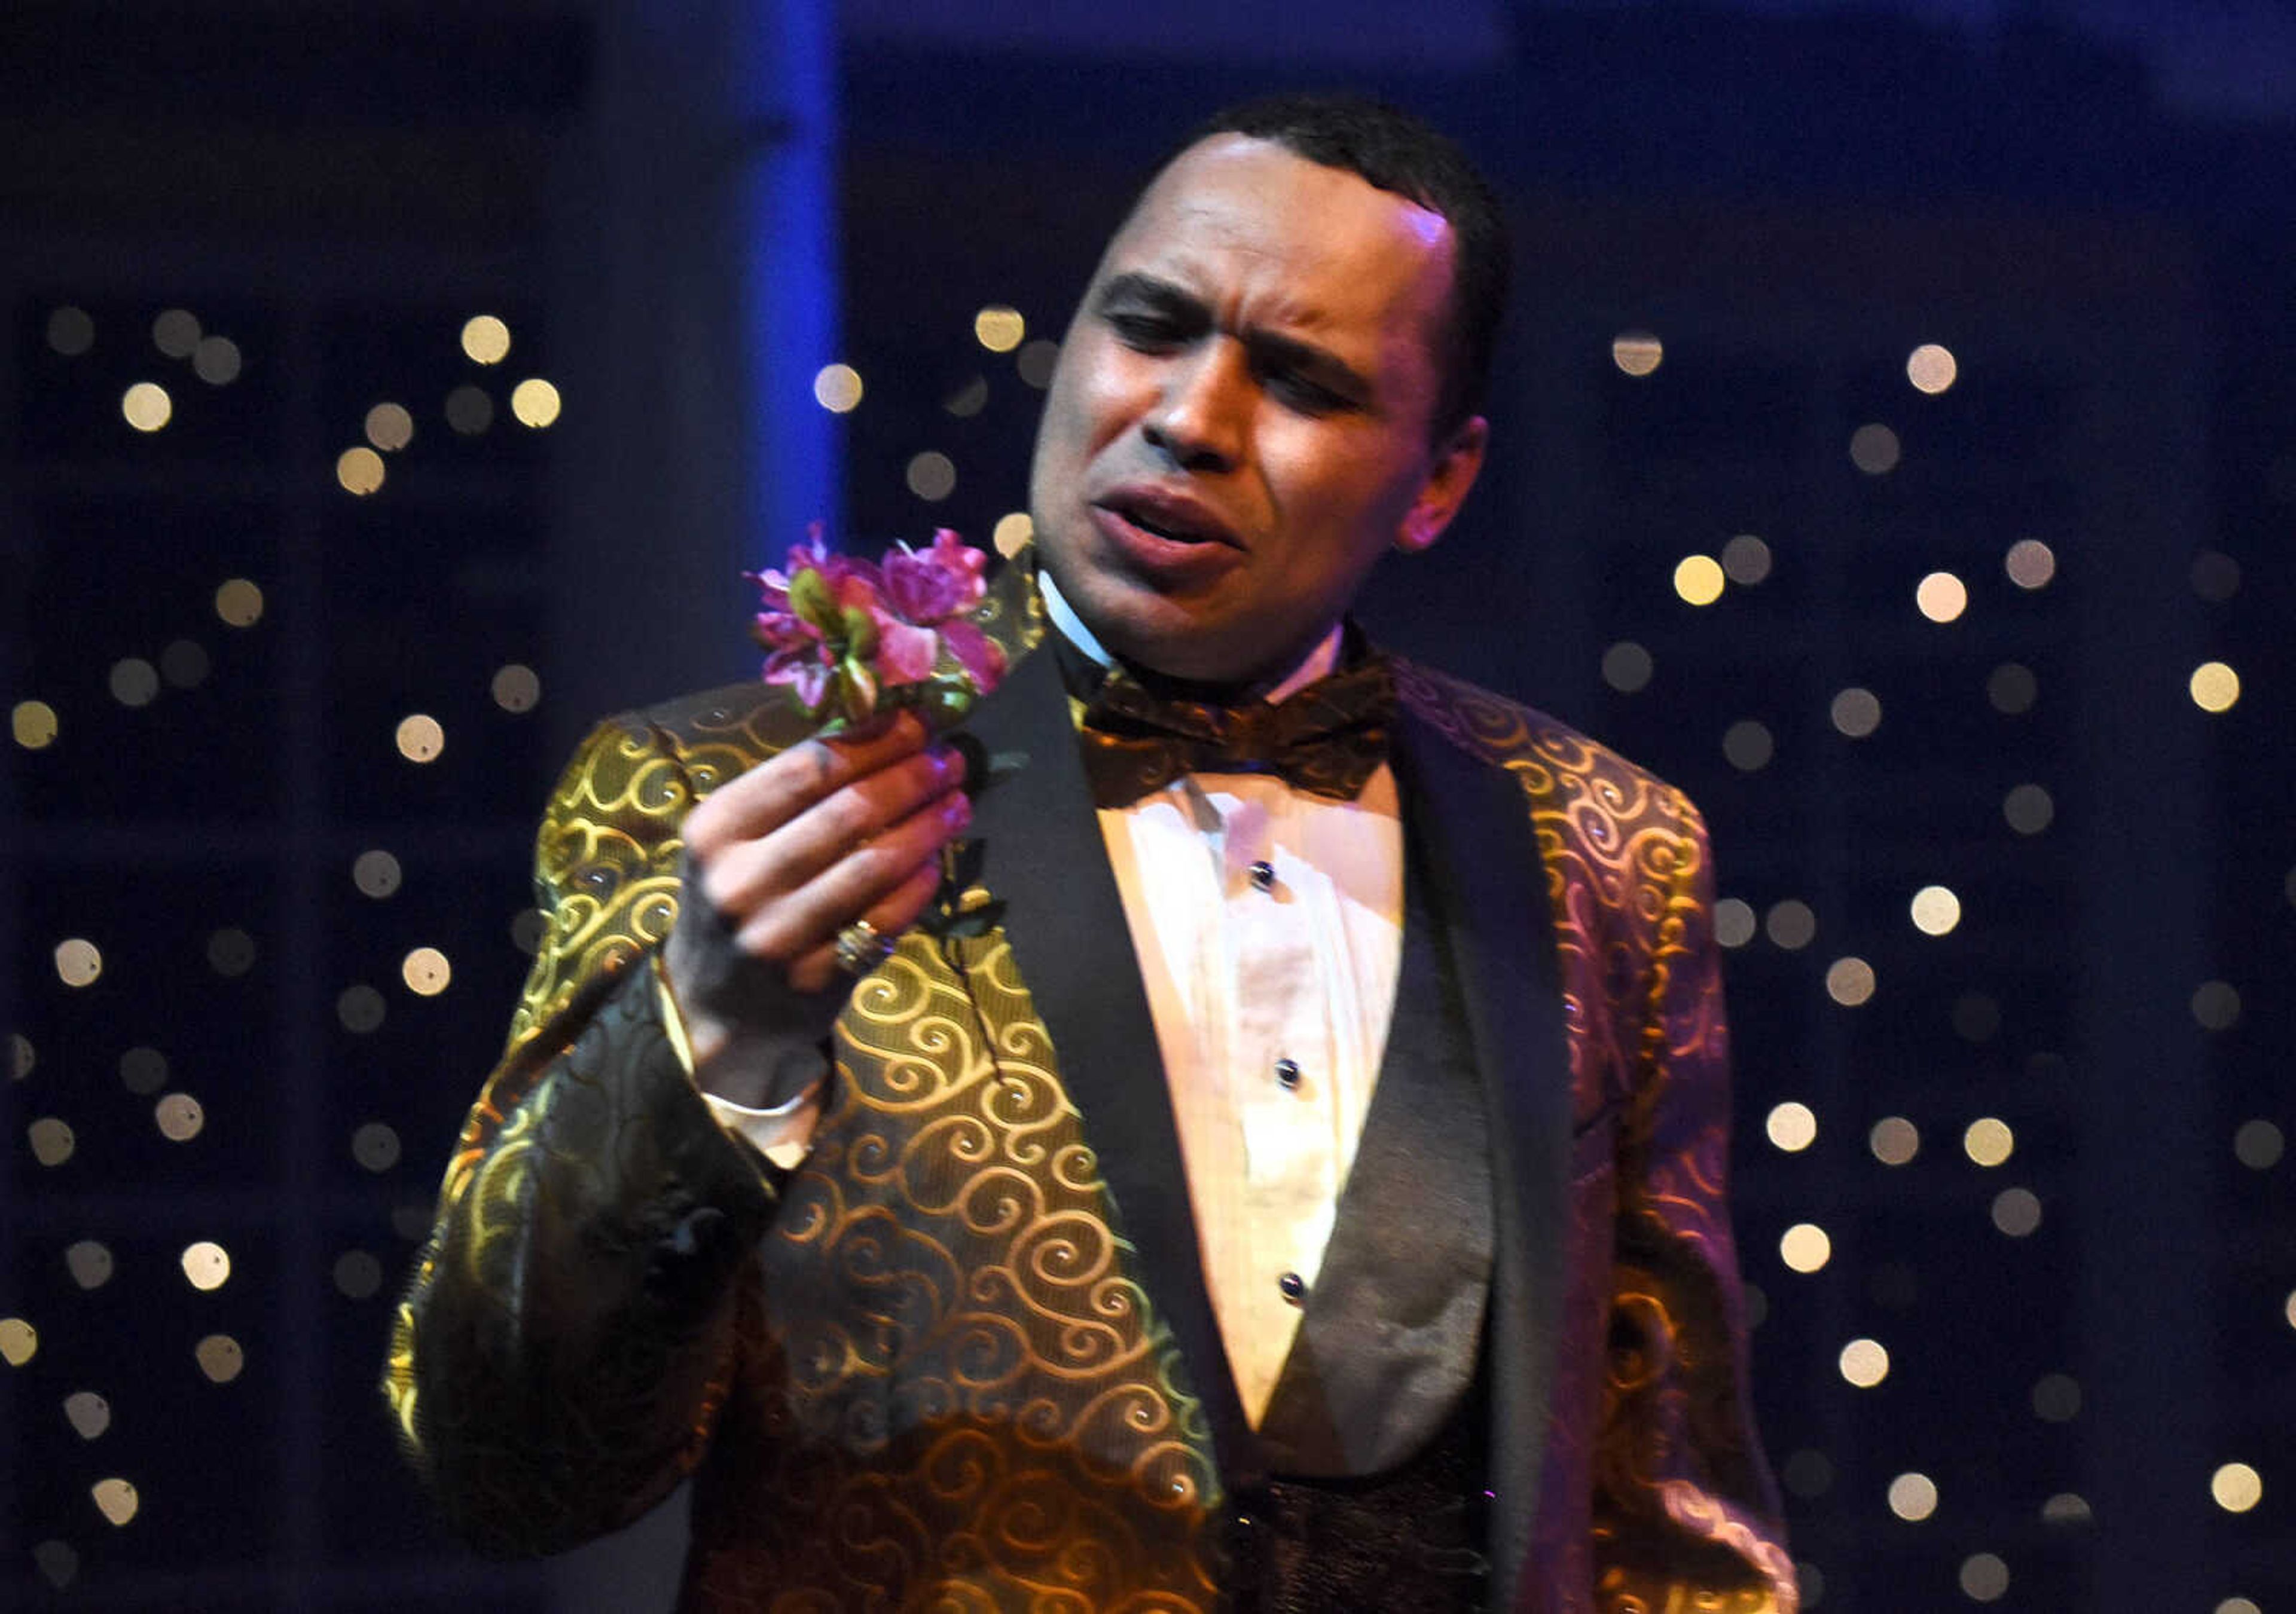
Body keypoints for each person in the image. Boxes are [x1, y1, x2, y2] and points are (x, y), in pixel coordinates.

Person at [384, 94, 1795, 1613]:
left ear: (1439, 480)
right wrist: (711, 1042)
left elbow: (1673, 1516)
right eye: (1151, 325)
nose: (1190, 417)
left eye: (1304, 383)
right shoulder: (735, 788)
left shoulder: (1603, 844)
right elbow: (505, 1465)